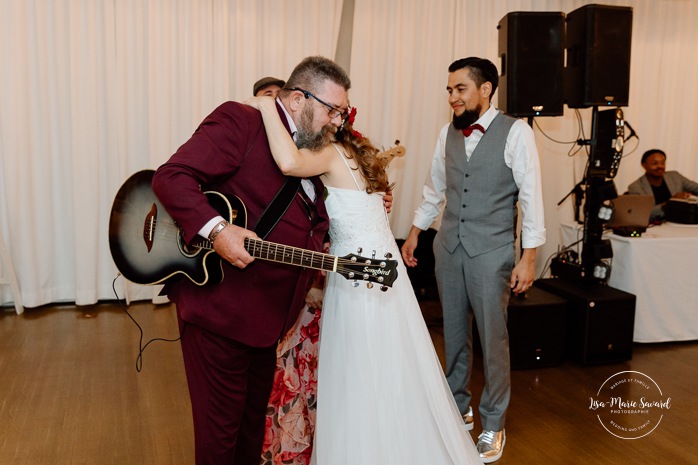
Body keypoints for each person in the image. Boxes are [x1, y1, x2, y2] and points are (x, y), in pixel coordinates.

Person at [245, 95, 483, 465]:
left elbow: (289, 161)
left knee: (358, 370)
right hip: (386, 273)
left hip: (358, 278)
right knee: (394, 365)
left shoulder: (327, 152)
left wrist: (263, 107)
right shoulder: (353, 155)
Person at [151, 55, 350, 465]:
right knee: (219, 443)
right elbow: (171, 177)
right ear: (297, 99)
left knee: (249, 435)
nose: (337, 121)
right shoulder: (240, 121)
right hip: (219, 313)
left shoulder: (314, 148)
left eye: (341, 113)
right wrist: (218, 231)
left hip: (269, 321)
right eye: (332, 110)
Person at [400, 57, 546, 463]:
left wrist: (528, 257)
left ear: (485, 90)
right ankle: (457, 405)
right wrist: (415, 232)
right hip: (447, 247)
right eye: (449, 90)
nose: (452, 97)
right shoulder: (446, 133)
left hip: (492, 252)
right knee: (453, 330)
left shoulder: (516, 133)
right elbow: (435, 188)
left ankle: (494, 421)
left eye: (460, 89)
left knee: (491, 337)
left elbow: (531, 198)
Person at [627, 148, 698, 221]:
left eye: (663, 163)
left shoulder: (675, 176)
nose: (660, 166)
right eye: (654, 163)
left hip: (680, 221)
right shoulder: (636, 187)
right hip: (655, 225)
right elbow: (643, 214)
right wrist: (671, 202)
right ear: (643, 165)